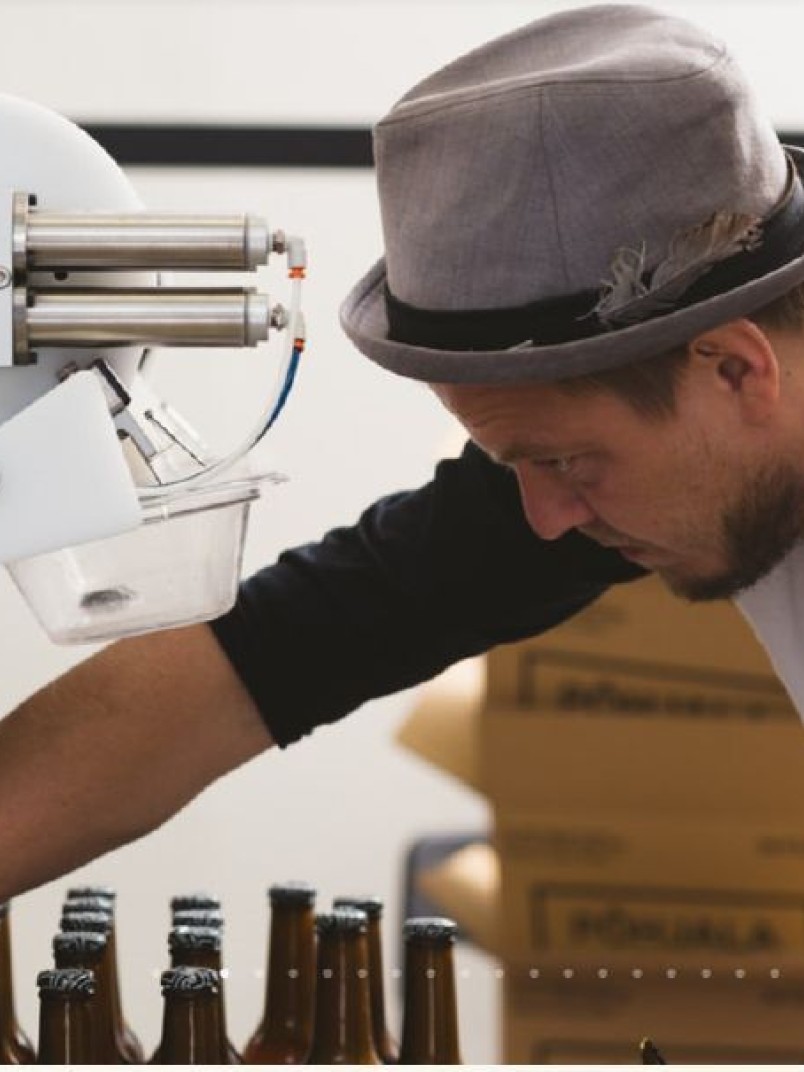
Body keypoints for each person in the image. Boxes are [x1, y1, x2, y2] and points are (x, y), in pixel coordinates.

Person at [2, 2, 804, 900]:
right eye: (518, 468)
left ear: (736, 370)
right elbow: (283, 647)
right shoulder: (642, 460)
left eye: (567, 463)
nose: (546, 520)